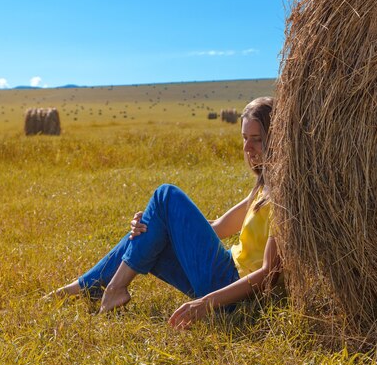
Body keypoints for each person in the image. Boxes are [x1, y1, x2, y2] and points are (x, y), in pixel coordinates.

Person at [48, 97, 281, 329]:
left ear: (275, 140)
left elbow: (268, 273)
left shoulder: (282, 200)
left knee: (165, 195)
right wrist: (156, 222)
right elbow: (217, 227)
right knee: (149, 230)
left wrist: (205, 303)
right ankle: (81, 288)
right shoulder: (263, 188)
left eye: (257, 139)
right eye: (244, 138)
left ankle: (110, 288)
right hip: (223, 274)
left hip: (232, 288)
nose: (247, 148)